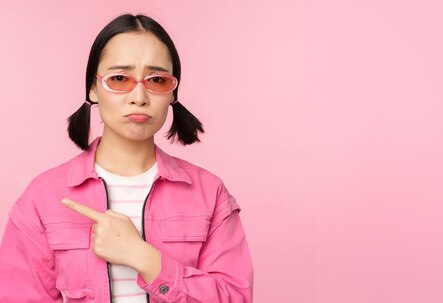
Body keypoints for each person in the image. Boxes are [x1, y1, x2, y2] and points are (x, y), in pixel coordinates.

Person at [0, 13, 254, 302]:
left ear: (172, 93)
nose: (139, 96)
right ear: (93, 89)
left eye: (156, 79)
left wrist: (145, 258)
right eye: (119, 78)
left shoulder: (209, 193)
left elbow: (235, 297)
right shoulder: (43, 197)